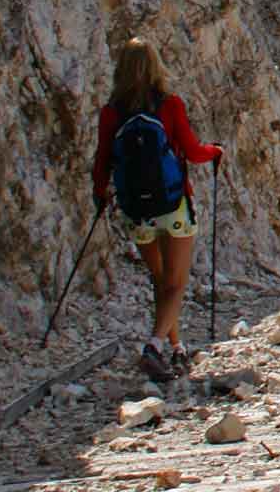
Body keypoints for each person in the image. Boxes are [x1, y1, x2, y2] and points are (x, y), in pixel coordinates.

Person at [90, 37, 222, 381]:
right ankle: (154, 347)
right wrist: (215, 151)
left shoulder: (111, 112)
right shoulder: (169, 105)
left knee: (160, 280)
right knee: (176, 285)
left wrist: (99, 193)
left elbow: (103, 160)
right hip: (173, 204)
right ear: (155, 66)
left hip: (137, 210)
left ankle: (174, 349)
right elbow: (192, 151)